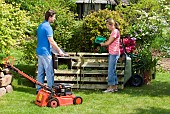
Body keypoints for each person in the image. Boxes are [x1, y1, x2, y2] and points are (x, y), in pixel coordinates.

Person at [36, 9, 65, 93]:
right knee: (49, 72)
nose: (54, 19)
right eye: (54, 17)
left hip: (40, 51)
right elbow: (51, 41)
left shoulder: (41, 26)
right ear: (50, 17)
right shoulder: (48, 27)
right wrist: (59, 51)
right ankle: (50, 90)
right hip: (45, 53)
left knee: (40, 72)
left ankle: (38, 89)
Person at [100, 18, 120, 93]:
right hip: (114, 52)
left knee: (110, 71)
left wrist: (103, 44)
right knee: (113, 70)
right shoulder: (114, 31)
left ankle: (110, 87)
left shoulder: (115, 32)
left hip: (114, 53)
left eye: (108, 26)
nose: (107, 27)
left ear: (112, 25)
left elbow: (109, 42)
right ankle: (115, 87)